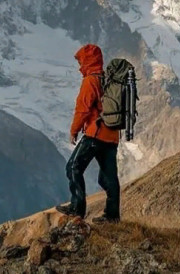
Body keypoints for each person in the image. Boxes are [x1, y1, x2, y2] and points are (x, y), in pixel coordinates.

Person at [56, 44, 121, 224]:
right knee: (108, 177)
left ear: (88, 61)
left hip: (95, 134)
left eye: (81, 61)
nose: (79, 66)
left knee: (73, 167)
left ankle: (77, 208)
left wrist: (74, 130)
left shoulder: (91, 81)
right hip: (112, 136)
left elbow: (83, 109)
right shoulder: (108, 79)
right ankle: (112, 215)